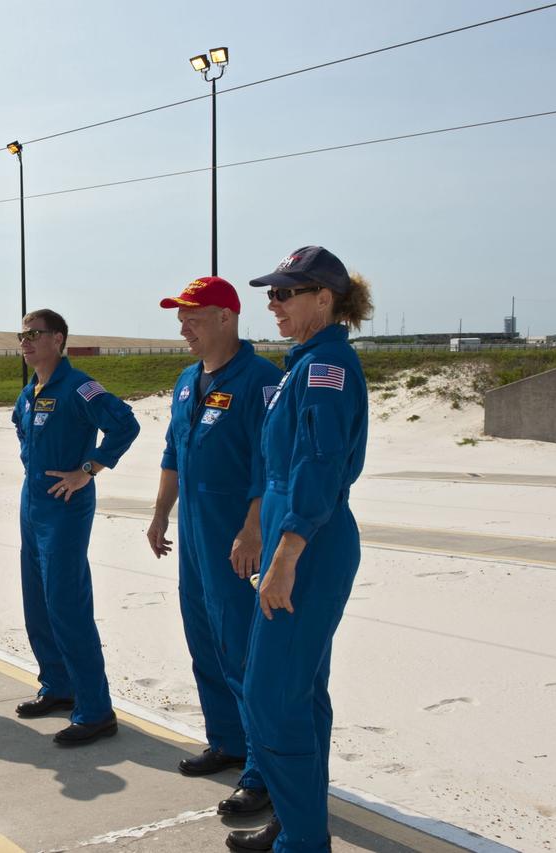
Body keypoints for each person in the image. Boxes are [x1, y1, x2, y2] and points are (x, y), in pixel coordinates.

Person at [226, 247, 372, 853]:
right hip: (301, 534)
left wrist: (284, 557)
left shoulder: (325, 368)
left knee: (270, 696)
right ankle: (296, 818)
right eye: (273, 292)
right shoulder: (304, 363)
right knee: (301, 692)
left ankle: (305, 841)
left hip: (311, 543)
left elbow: (319, 465)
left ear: (324, 298)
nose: (273, 302)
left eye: (286, 293)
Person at [148, 277, 283, 813]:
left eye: (194, 318)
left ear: (227, 317)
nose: (184, 328)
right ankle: (226, 741)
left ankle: (261, 767)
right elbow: (173, 454)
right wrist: (160, 515)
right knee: (204, 641)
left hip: (237, 540)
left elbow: (269, 464)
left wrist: (252, 530)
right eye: (181, 319)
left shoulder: (262, 380)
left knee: (243, 651)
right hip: (195, 539)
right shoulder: (186, 380)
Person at [12, 309, 140, 746]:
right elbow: (21, 431)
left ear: (58, 339)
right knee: (38, 603)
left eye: (35, 334)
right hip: (32, 506)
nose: (26, 342)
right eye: (22, 335)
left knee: (67, 606)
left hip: (66, 508)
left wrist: (89, 467)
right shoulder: (30, 392)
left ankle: (96, 710)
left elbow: (125, 423)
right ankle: (58, 685)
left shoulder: (80, 386)